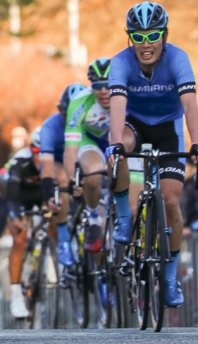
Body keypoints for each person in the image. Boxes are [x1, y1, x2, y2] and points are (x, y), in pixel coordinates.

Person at [106, 1, 198, 308]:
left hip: (168, 128)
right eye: (138, 37)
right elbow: (117, 107)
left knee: (171, 201)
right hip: (134, 125)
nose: (146, 44)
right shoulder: (121, 62)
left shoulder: (178, 59)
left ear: (165, 35)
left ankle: (169, 277)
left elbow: (190, 104)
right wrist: (113, 144)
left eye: (153, 36)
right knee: (120, 146)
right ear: (130, 38)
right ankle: (125, 216)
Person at [62, 58, 130, 256]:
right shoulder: (79, 103)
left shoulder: (128, 94)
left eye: (108, 85)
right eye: (97, 86)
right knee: (91, 175)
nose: (103, 91)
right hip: (91, 142)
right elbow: (70, 149)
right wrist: (72, 179)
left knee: (134, 205)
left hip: (121, 142)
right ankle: (94, 219)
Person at [38, 82, 85, 267]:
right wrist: (49, 195)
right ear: (61, 111)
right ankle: (64, 238)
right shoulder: (50, 127)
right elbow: (47, 167)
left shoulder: (94, 120)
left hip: (83, 157)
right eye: (68, 114)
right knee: (63, 178)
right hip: (58, 162)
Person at [5, 132, 44, 319]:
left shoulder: (55, 160)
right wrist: (15, 217)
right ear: (31, 150)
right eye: (37, 151)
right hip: (20, 198)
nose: (41, 157)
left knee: (55, 219)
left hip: (41, 196)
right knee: (19, 237)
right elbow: (11, 195)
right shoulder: (20, 160)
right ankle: (15, 294)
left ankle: (49, 257)